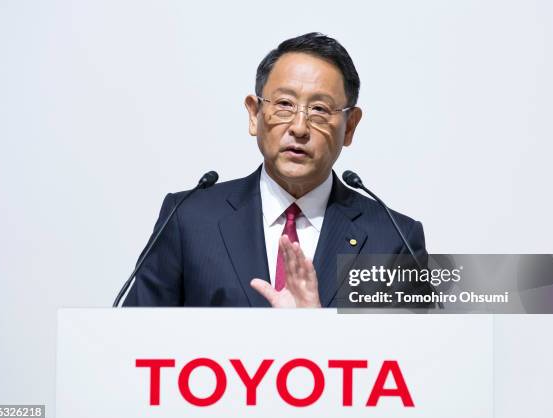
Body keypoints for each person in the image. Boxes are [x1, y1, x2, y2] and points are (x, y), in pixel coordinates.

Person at [123, 32, 427, 308]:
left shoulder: (392, 241)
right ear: (254, 115)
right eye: (284, 104)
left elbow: (412, 361)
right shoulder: (187, 220)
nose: (298, 127)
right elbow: (135, 342)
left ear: (350, 127)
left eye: (320, 110)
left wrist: (318, 327)